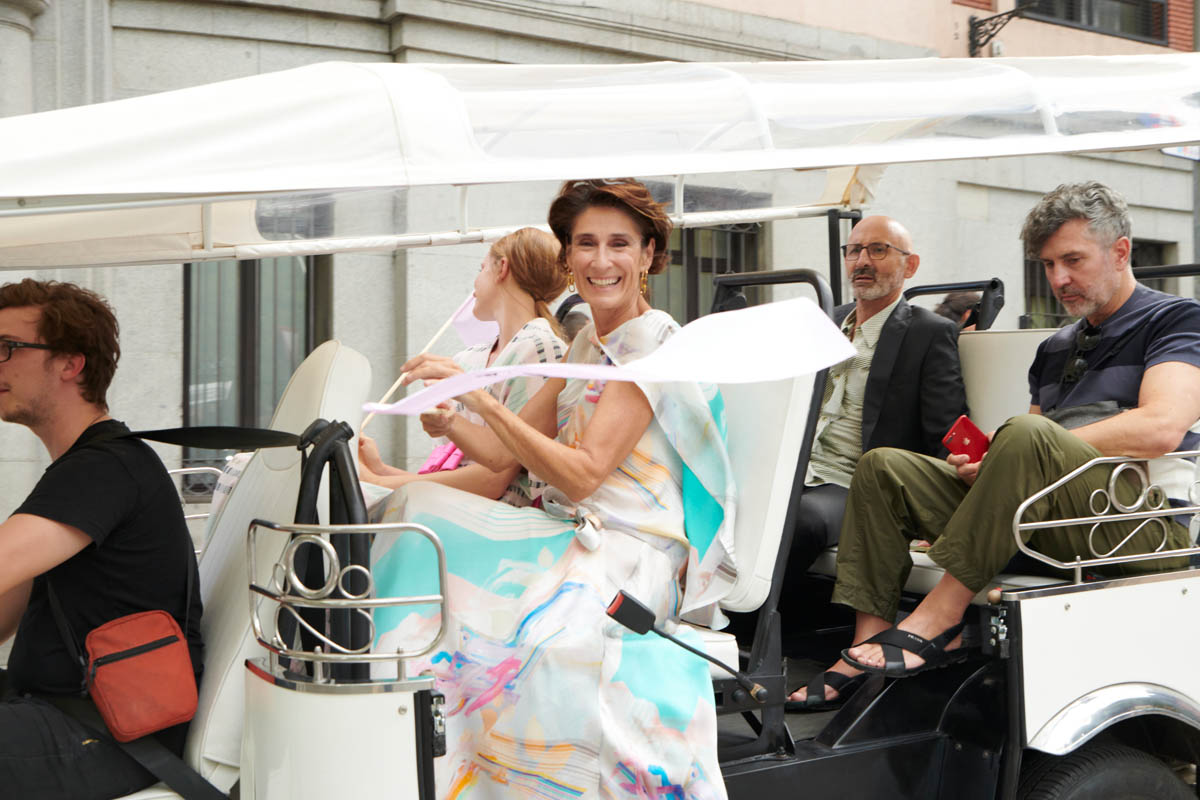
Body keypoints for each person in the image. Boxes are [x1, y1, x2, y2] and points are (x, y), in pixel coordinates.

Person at [370, 178, 735, 799]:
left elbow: (585, 471)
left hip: (628, 553)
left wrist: (481, 396)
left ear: (648, 254)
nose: (600, 260)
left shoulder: (650, 343)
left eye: (619, 244)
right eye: (585, 244)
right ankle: (413, 756)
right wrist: (454, 416)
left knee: (515, 637)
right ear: (567, 256)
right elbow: (504, 454)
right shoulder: (588, 341)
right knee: (414, 508)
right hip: (566, 535)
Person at [801, 181, 1200, 703]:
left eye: (1073, 260)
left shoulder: (1177, 319)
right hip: (1049, 525)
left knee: (1027, 433)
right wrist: (993, 463)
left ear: (1120, 252)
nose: (1058, 279)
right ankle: (867, 638)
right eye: (1048, 265)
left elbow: (1162, 426)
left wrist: (1028, 445)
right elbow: (1033, 453)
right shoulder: (1055, 346)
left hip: (1140, 531)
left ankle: (940, 615)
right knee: (882, 467)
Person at [0, 279, 203, 800]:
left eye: (6, 348)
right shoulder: (84, 470)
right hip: (55, 715)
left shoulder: (104, 469)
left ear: (70, 363)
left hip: (102, 734)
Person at [778, 216, 966, 708]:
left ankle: (744, 640)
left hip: (855, 485)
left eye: (878, 250)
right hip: (795, 472)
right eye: (854, 250)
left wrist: (931, 511)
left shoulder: (928, 332)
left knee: (797, 521)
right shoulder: (825, 323)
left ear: (910, 265)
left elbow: (945, 429)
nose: (862, 261)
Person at [358, 227, 567, 507]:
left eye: (482, 268)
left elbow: (492, 479)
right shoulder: (471, 357)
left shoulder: (540, 347)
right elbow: (460, 476)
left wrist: (377, 481)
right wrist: (380, 470)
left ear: (502, 268)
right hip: (466, 512)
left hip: (496, 523)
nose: (475, 281)